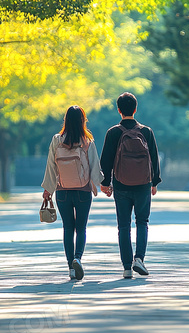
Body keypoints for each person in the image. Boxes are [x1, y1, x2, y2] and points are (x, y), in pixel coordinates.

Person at [100, 92, 161, 279]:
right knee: (142, 222)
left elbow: (106, 161)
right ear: (135, 109)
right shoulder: (146, 132)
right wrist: (154, 181)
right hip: (143, 184)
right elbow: (154, 158)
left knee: (124, 225)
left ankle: (127, 267)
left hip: (121, 184)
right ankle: (139, 259)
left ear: (119, 110)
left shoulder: (113, 132)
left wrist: (105, 183)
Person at [42, 105, 104, 281]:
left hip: (63, 191)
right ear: (83, 121)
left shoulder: (57, 140)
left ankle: (70, 266)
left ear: (66, 120)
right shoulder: (87, 141)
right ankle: (78, 257)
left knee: (68, 228)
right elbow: (94, 167)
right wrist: (103, 185)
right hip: (83, 191)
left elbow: (51, 166)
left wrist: (48, 189)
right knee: (81, 227)